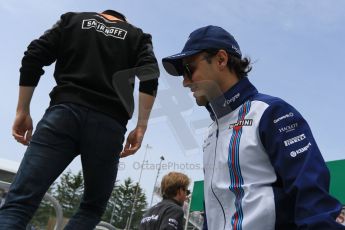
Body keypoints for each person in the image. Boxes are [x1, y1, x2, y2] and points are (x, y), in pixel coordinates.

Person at [162, 25, 345, 230]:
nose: (185, 82)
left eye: (189, 69)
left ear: (221, 60)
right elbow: (213, 211)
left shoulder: (270, 112)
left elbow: (313, 201)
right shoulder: (211, 133)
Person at [0, 10, 159, 229]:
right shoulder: (137, 36)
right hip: (109, 124)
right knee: (91, 208)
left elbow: (34, 54)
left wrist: (22, 110)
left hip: (63, 113)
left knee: (20, 203)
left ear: (101, 14)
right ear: (124, 21)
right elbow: (150, 74)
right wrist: (141, 127)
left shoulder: (72, 21)